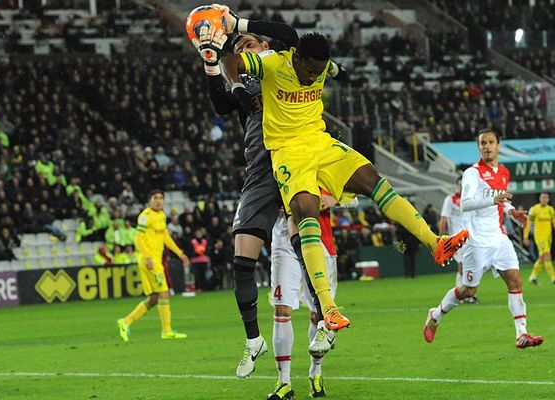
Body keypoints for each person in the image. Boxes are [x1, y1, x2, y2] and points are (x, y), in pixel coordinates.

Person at [221, 30, 469, 331]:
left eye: (319, 71)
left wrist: (340, 72)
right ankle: (329, 308)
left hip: (321, 143)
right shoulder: (272, 63)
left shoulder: (320, 65)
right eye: (309, 71)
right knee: (306, 215)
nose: (314, 78)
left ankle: (435, 242)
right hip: (288, 153)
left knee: (375, 182)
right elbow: (229, 60)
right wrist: (235, 85)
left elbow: (341, 70)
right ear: (296, 58)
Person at [195, 7, 300, 378]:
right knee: (241, 256)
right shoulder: (242, 84)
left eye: (250, 43)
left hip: (293, 163)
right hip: (259, 174)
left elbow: (290, 34)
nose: (244, 49)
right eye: (239, 47)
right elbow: (222, 105)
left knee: (306, 244)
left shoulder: (279, 66)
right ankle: (254, 339)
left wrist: (238, 26)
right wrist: (211, 62)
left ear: (265, 46)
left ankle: (326, 316)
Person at [423, 129, 543, 349]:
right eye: (483, 143)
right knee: (468, 291)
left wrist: (512, 211)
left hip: (498, 238)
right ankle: (436, 314)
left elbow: (501, 201)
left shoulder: (504, 172)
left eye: (491, 142)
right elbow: (466, 203)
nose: (487, 146)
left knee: (515, 281)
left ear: (498, 146)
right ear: (478, 147)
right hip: (476, 241)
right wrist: (494, 200)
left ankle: (521, 334)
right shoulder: (473, 173)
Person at [267, 191, 349, 399]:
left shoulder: (317, 161)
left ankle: (316, 373)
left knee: (318, 313)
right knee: (282, 308)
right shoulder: (273, 163)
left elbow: (353, 191)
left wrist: (334, 199)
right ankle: (283, 382)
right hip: (284, 243)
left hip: (319, 241)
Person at [117, 190, 190, 341]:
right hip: (149, 261)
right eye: (155, 198)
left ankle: (125, 322)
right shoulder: (145, 216)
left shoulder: (161, 215)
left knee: (154, 298)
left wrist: (179, 253)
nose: (158, 201)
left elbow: (166, 237)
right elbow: (137, 239)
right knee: (164, 293)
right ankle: (167, 331)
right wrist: (148, 257)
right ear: (149, 200)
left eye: (161, 198)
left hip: (154, 261)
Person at [438, 177, 478, 303]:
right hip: (455, 238)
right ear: (457, 186)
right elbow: (443, 219)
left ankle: (464, 293)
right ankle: (462, 294)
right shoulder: (450, 200)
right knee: (462, 265)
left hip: (470, 237)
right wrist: (441, 239)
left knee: (470, 265)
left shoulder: (470, 201)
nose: (462, 187)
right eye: (460, 185)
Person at [523, 192, 555, 285]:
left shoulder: (550, 210)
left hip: (548, 237)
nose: (544, 199)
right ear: (539, 199)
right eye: (542, 198)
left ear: (548, 200)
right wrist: (525, 237)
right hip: (539, 237)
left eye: (546, 198)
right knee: (547, 255)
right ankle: (553, 277)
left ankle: (533, 276)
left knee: (542, 258)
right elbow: (528, 223)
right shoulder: (534, 209)